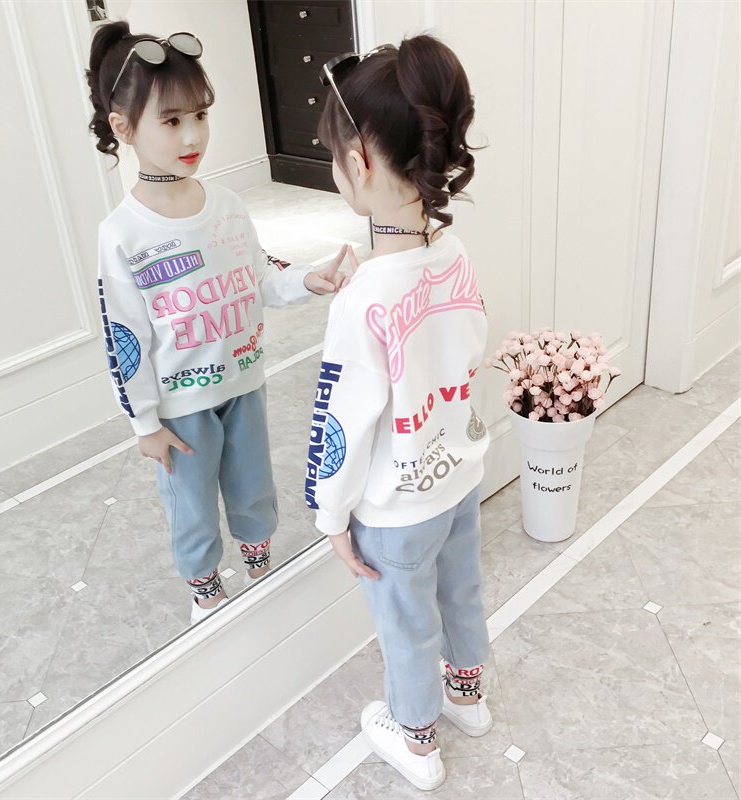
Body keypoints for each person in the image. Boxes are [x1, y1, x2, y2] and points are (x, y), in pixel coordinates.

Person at [86, 20, 350, 625]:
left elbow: (258, 276)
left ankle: (259, 566)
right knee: (192, 503)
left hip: (244, 384)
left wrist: (305, 280)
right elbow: (124, 337)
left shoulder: (228, 207)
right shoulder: (122, 233)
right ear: (123, 127)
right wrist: (144, 422)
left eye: (200, 115)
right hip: (180, 407)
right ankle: (205, 590)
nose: (193, 135)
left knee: (254, 487)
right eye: (172, 120)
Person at [304, 35, 492, 791]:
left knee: (407, 623)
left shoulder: (362, 303)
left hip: (396, 510)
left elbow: (343, 426)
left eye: (334, 156)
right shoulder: (456, 257)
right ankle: (467, 698)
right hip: (459, 481)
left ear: (359, 162)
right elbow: (460, 350)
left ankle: (415, 739)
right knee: (462, 591)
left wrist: (330, 516)